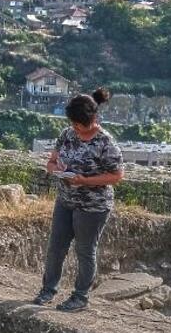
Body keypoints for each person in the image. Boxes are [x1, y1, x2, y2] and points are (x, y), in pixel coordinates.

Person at [33, 88, 124, 312]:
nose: (75, 128)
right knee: (56, 247)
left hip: (92, 206)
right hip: (65, 200)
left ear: (92, 119)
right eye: (73, 124)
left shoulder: (106, 143)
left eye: (79, 124)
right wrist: (58, 170)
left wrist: (84, 180)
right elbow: (52, 161)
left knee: (84, 250)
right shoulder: (67, 134)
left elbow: (116, 175)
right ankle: (48, 289)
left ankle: (80, 296)